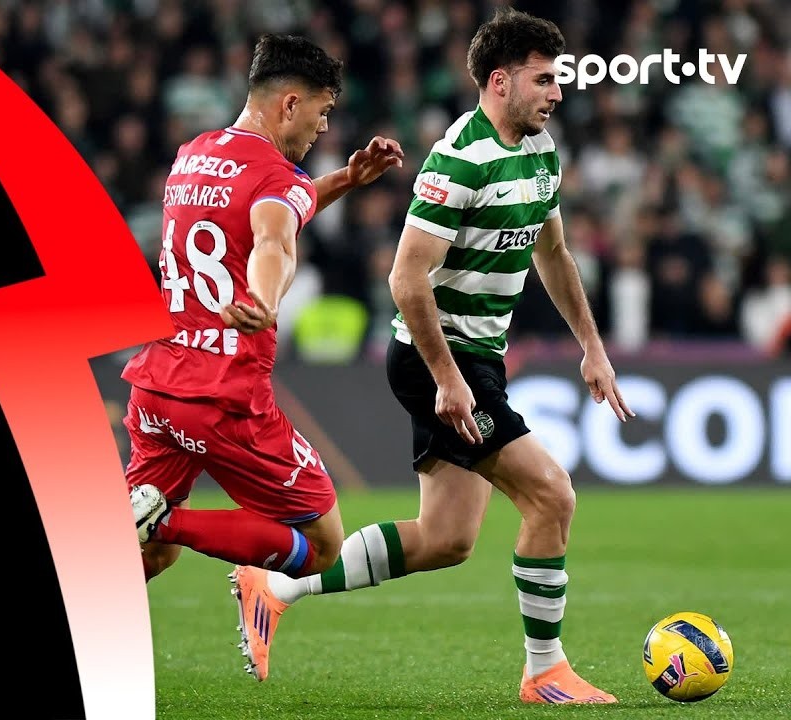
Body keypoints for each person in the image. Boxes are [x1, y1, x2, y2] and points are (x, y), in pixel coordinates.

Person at [229, 8, 634, 704]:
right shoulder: (457, 161)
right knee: (551, 495)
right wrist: (448, 378)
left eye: (558, 79)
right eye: (543, 79)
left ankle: (274, 584)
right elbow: (405, 278)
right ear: (500, 82)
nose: (557, 93)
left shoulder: (541, 151)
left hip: (477, 362)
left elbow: (555, 252)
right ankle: (545, 671)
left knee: (445, 540)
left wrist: (593, 348)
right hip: (436, 359)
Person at [124, 33, 403, 614]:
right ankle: (161, 518)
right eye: (322, 111)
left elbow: (269, 207)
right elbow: (273, 239)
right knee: (322, 545)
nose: (323, 127)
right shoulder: (276, 176)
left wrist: (345, 179)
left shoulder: (193, 154)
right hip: (222, 397)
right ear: (290, 103)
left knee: (147, 556)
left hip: (157, 386)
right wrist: (266, 298)